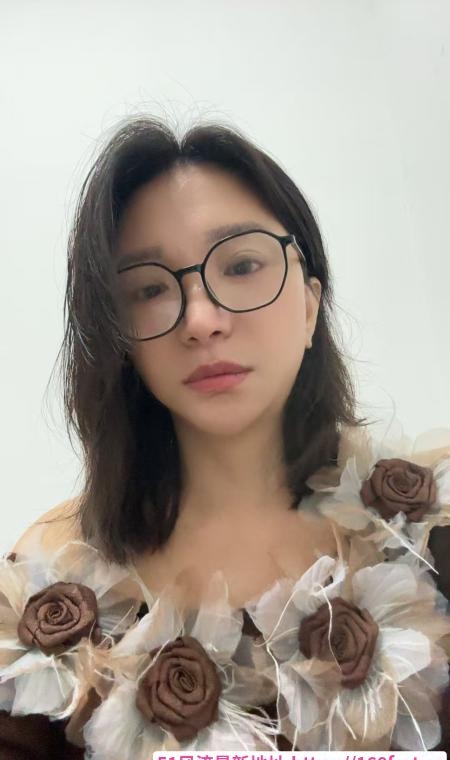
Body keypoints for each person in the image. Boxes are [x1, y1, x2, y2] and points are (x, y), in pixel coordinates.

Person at [0, 117, 449, 759]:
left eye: (241, 265)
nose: (202, 319)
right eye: (150, 289)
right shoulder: (50, 579)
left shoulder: (431, 535)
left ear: (310, 305)